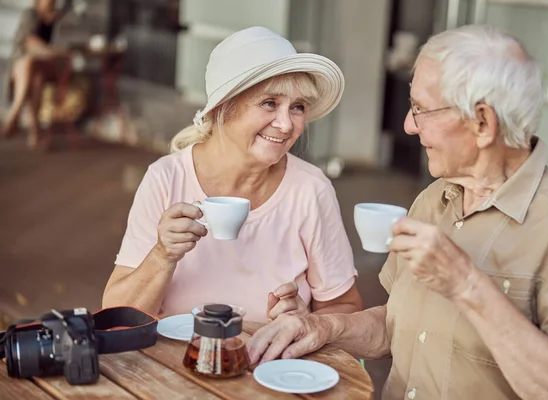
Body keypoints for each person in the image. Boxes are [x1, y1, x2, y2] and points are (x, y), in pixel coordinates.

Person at [247, 25, 548, 400]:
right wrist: (323, 327)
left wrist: (468, 286)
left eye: (420, 109)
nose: (408, 126)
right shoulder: (434, 200)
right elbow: (394, 326)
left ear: (482, 123)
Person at [102, 26, 363, 323]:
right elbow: (116, 318)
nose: (287, 124)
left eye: (298, 107)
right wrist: (162, 255)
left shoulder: (310, 190)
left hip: (270, 367)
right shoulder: (166, 178)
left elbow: (345, 308)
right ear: (223, 108)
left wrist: (308, 320)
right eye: (269, 103)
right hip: (172, 365)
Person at [1, 0, 71, 148]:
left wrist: (53, 52)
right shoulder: (31, 14)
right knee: (33, 71)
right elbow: (29, 42)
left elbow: (63, 45)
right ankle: (35, 133)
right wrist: (49, 51)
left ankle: (14, 115)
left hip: (43, 65)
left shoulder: (58, 17)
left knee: (34, 70)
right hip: (21, 64)